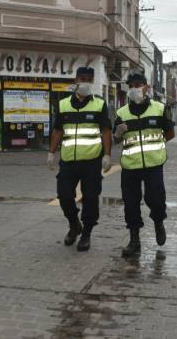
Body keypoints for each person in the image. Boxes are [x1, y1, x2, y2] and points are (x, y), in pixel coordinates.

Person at [48, 67, 112, 252]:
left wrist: (107, 155)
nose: (85, 82)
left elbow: (106, 130)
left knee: (91, 198)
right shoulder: (63, 104)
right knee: (65, 196)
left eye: (89, 79)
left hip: (92, 161)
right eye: (82, 78)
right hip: (68, 160)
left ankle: (86, 234)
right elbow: (58, 130)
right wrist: (51, 152)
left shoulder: (99, 104)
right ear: (75, 79)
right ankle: (74, 224)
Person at [113, 73, 175, 257]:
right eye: (132, 85)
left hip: (154, 164)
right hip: (130, 166)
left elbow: (170, 133)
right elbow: (117, 140)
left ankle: (158, 222)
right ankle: (134, 240)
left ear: (146, 87)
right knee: (131, 203)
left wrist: (156, 146)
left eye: (138, 84)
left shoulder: (159, 108)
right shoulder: (121, 113)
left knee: (156, 199)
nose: (135, 88)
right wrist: (118, 132)